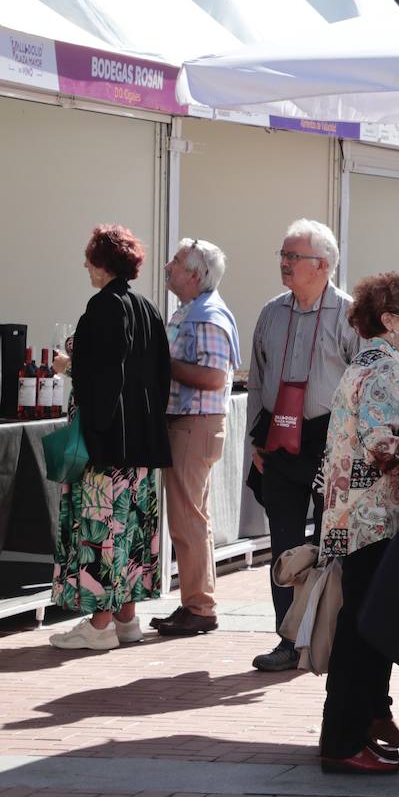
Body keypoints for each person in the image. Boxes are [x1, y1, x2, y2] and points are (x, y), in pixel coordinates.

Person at [317, 273, 399, 775]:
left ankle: (358, 728)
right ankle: (343, 741)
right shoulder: (383, 369)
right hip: (372, 519)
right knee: (363, 631)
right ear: (389, 320)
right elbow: (382, 444)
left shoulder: (372, 364)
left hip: (356, 517)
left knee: (362, 625)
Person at [49, 225, 172, 651]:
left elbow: (100, 377)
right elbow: (159, 377)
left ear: (103, 264)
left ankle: (98, 625)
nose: (86, 265)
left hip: (106, 447)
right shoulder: (147, 309)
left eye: (90, 259)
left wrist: (69, 365)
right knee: (133, 529)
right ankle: (127, 619)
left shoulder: (102, 308)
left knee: (101, 531)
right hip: (142, 444)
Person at [249, 219, 359, 672]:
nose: (284, 263)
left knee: (328, 543)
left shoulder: (349, 314)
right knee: (284, 544)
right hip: (278, 438)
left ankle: (320, 636)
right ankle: (284, 639)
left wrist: (351, 447)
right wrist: (255, 439)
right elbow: (256, 377)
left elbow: (361, 380)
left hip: (329, 439)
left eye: (293, 257)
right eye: (283, 254)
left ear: (324, 265)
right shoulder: (273, 312)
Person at [151, 238, 240, 638]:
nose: (168, 266)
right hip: (190, 423)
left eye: (176, 262)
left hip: (195, 423)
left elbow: (215, 377)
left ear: (195, 274)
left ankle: (199, 607)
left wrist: (161, 364)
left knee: (188, 520)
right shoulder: (191, 311)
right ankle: (197, 602)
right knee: (192, 518)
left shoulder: (205, 316)